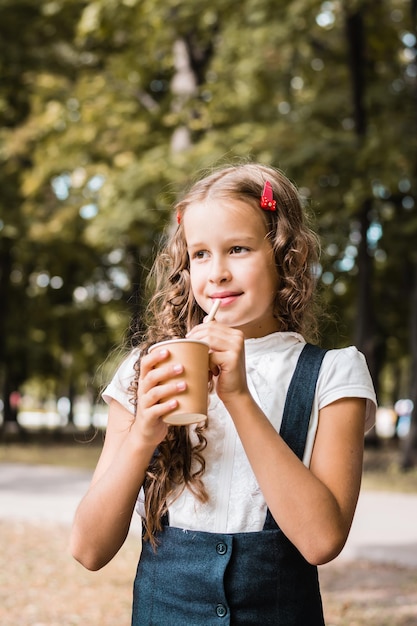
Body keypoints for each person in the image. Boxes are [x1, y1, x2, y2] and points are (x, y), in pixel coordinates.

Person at [70, 163, 377, 625]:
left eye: (238, 249)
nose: (216, 273)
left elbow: (321, 542)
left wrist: (238, 397)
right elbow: (88, 549)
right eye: (200, 254)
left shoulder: (332, 374)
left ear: (284, 255)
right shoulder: (146, 370)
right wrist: (141, 436)